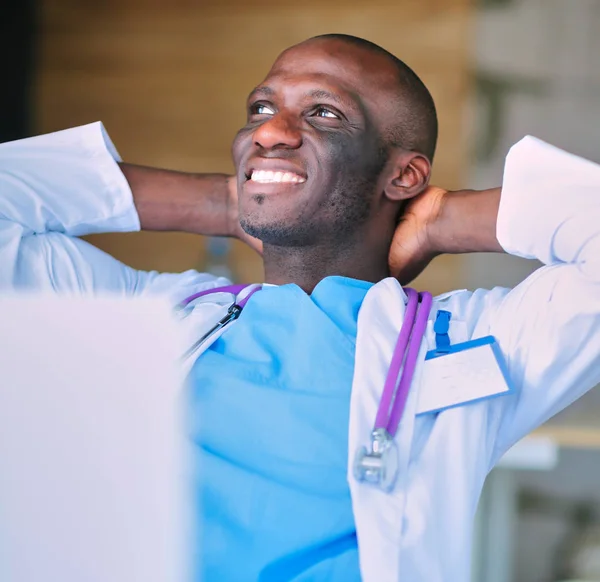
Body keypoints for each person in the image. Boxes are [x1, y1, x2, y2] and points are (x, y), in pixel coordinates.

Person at [1, 33, 599, 582]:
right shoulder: (152, 315)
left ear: (403, 174)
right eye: (261, 109)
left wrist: (443, 217)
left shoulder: (470, 340)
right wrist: (215, 201)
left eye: (323, 113)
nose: (268, 131)